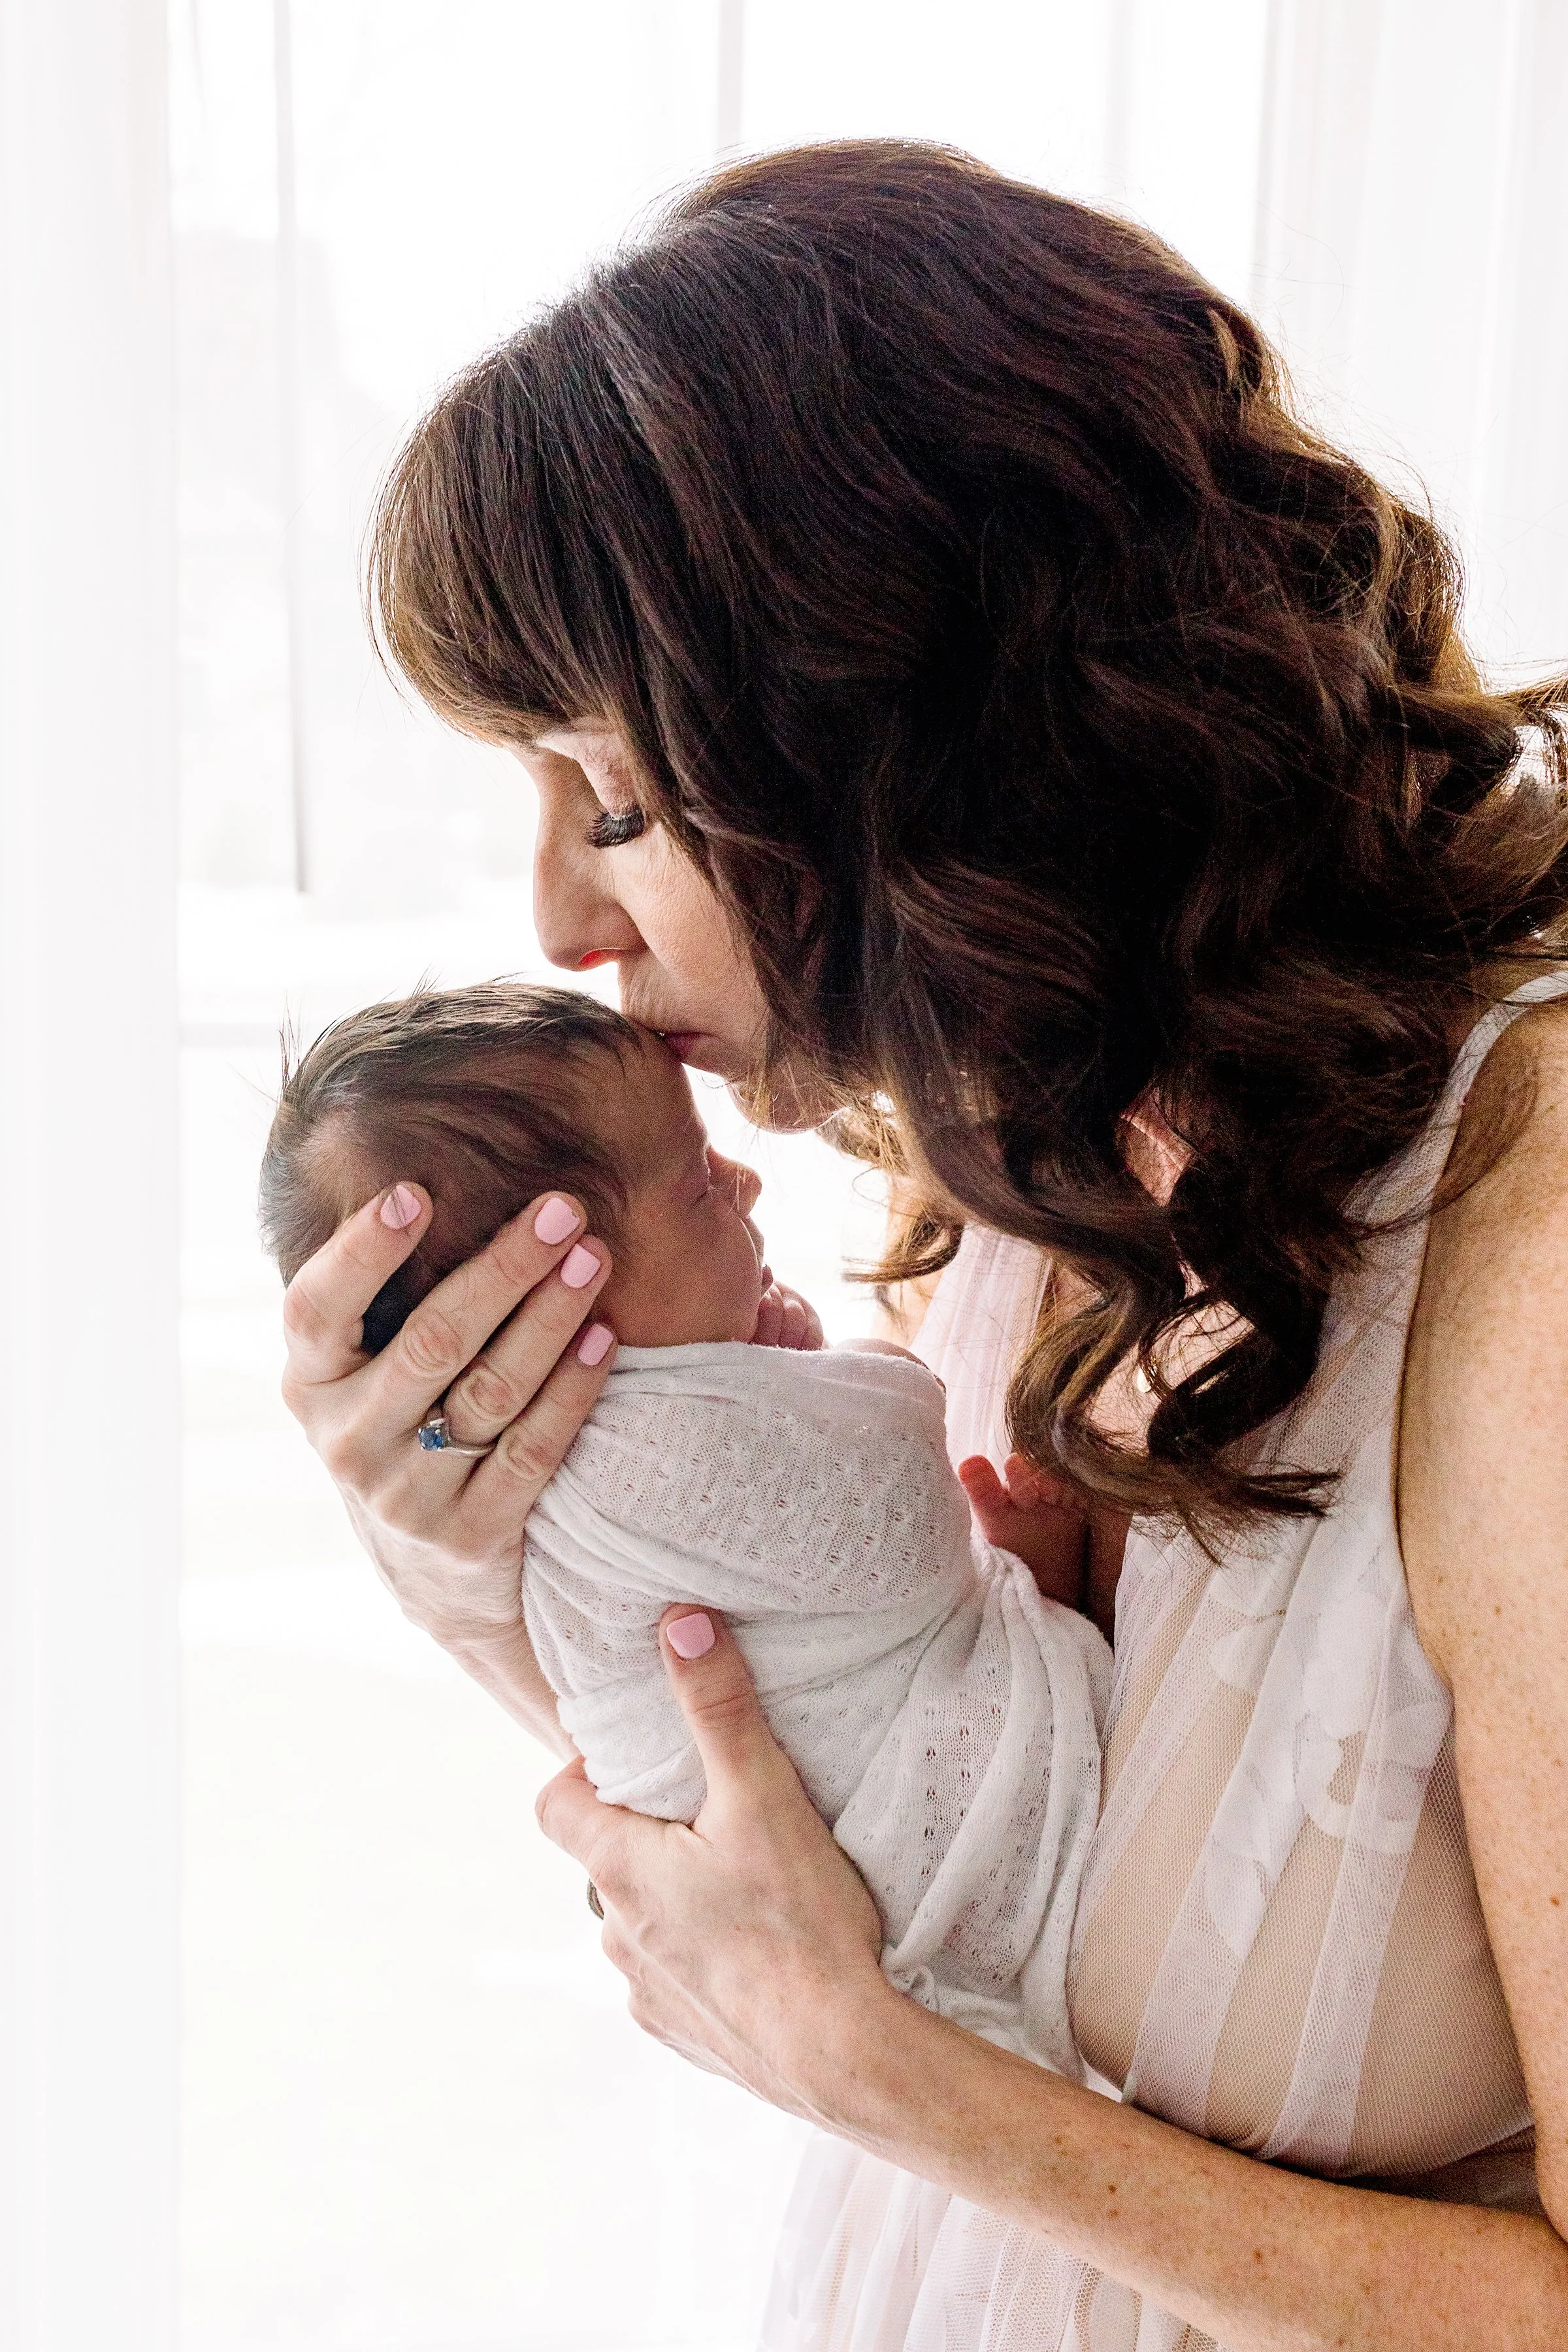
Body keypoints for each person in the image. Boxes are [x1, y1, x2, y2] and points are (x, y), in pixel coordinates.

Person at [279, 142, 1568, 2347]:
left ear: (908, 740)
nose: (560, 928)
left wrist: (896, 2089)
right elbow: (862, 1828)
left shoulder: (1521, 1259)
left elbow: (872, 2022)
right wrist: (482, 1542)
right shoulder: (1022, 1155)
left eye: (611, 797)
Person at [259, 979, 1108, 2069]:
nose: (747, 1179)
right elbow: (895, 1471)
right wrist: (839, 1373)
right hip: (941, 1890)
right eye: (703, 1184)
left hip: (872, 1993)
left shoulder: (559, 1452)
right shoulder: (631, 1455)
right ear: (562, 1298)